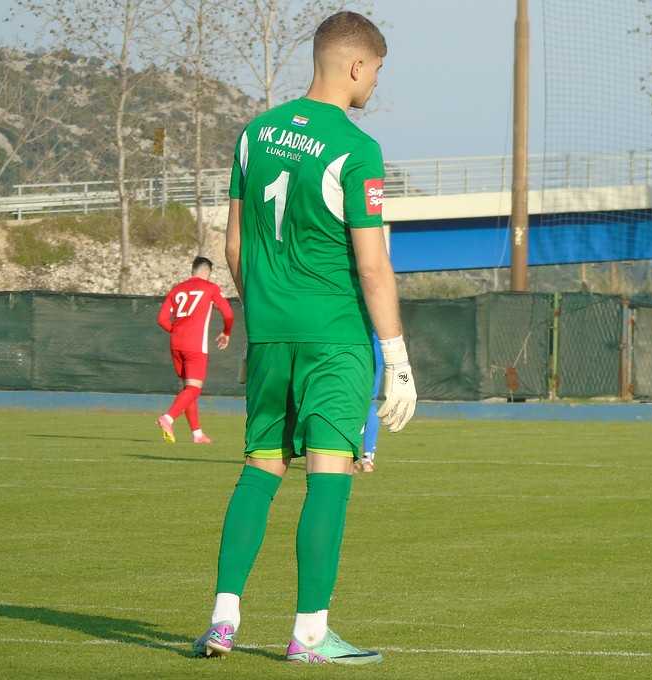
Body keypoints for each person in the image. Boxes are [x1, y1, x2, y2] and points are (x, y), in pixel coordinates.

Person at [192, 11, 417, 666]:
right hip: (334, 339)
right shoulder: (356, 148)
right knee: (329, 475)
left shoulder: (253, 134)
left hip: (270, 337)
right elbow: (372, 266)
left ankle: (223, 619)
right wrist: (397, 358)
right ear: (357, 66)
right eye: (377, 70)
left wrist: (265, 317)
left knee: (260, 468)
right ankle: (310, 633)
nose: (375, 82)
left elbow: (235, 245)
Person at [155, 256, 234, 445]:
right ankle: (168, 418)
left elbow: (162, 319)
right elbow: (228, 314)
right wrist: (226, 332)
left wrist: (177, 331)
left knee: (188, 389)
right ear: (207, 272)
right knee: (193, 388)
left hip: (176, 344)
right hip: (195, 345)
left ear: (193, 270)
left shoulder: (177, 289)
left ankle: (197, 434)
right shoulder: (210, 288)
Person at [355, 332, 383, 473]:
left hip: (352, 343)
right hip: (376, 344)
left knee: (352, 400)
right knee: (369, 401)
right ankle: (367, 459)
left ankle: (350, 457)